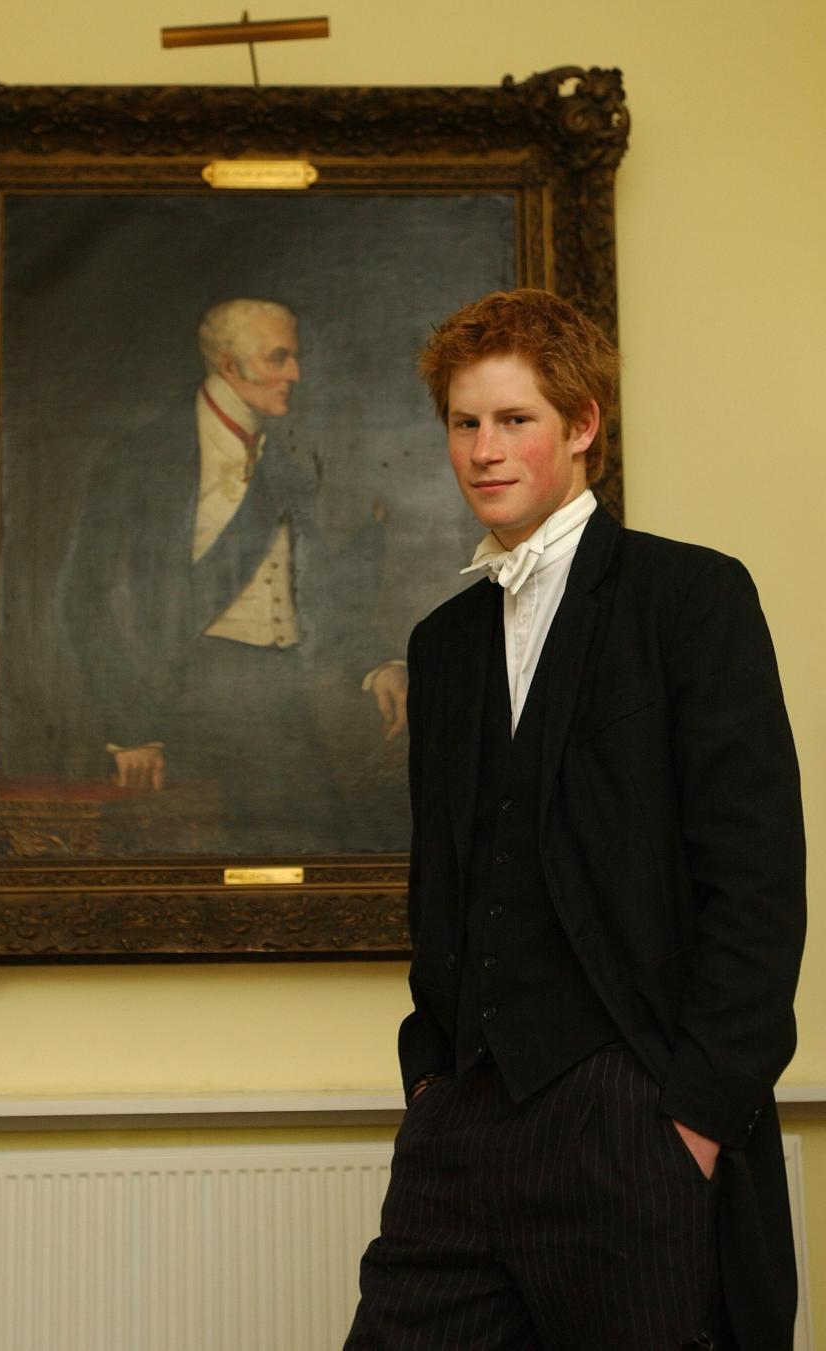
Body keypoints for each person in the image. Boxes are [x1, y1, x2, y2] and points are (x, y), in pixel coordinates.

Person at [344, 289, 805, 1350]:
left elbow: (757, 878)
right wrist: (432, 1081)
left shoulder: (689, 600)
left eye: (515, 420)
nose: (483, 450)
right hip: (465, 1122)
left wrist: (690, 1118)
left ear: (583, 424)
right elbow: (447, 885)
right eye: (465, 422)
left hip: (632, 1118)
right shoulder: (446, 642)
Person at [61, 298, 408, 852]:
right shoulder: (145, 456)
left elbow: (313, 596)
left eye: (293, 357)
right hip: (177, 699)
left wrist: (377, 663)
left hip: (279, 699)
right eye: (279, 358)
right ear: (229, 366)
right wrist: (131, 727)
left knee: (322, 850)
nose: (295, 373)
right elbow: (84, 598)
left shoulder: (285, 469)